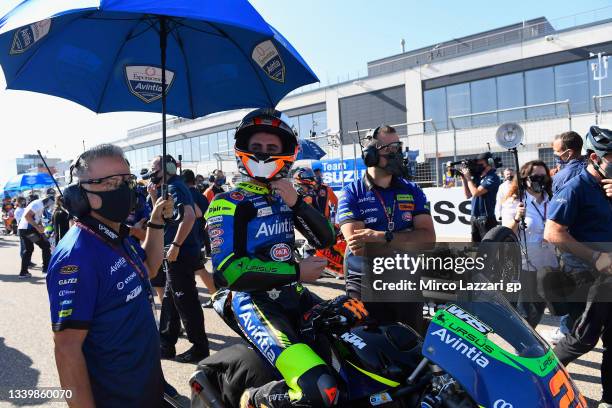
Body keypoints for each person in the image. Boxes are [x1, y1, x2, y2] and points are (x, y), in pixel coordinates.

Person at [205, 108, 353, 408]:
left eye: (272, 148)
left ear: (286, 152)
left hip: (294, 295)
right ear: (242, 150)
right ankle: (250, 400)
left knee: (359, 352)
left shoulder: (286, 194)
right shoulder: (228, 201)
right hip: (253, 303)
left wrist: (297, 203)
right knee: (319, 388)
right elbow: (227, 272)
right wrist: (296, 271)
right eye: (256, 147)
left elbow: (326, 239)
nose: (263, 154)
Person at [45, 144, 174, 407]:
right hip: (115, 396)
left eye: (127, 180)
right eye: (111, 182)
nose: (124, 188)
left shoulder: (116, 234)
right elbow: (67, 349)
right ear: (81, 194)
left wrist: (156, 221)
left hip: (146, 384)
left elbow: (149, 268)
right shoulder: (76, 256)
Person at [338, 125, 436, 331]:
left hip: (404, 280)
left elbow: (428, 240)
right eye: (389, 149)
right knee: (370, 348)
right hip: (364, 282)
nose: (397, 154)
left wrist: (383, 237)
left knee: (412, 345)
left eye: (398, 148)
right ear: (370, 154)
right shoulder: (351, 193)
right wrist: (408, 239)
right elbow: (361, 249)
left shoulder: (412, 190)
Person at [543, 126, 612, 408]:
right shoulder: (575, 187)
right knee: (583, 338)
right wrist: (595, 257)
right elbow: (553, 232)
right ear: (595, 157)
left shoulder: (609, 187)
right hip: (590, 275)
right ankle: (538, 378)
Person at [144, 154, 210, 363]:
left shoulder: (175, 187)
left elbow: (190, 216)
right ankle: (166, 343)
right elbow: (164, 218)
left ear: (167, 168)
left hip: (179, 253)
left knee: (185, 300)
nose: (151, 171)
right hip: (175, 251)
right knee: (171, 299)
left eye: (154, 167)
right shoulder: (170, 187)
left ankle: (199, 348)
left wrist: (175, 245)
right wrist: (154, 197)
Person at [501, 161, 557, 328]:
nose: (539, 180)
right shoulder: (515, 202)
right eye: (535, 177)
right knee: (526, 314)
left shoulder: (552, 199)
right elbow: (506, 234)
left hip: (548, 265)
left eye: (543, 176)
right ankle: (523, 350)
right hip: (525, 265)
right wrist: (517, 217)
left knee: (539, 309)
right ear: (524, 179)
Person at [548, 131, 587, 343]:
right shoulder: (594, 169)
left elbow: (556, 217)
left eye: (556, 152)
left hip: (571, 243)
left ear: (569, 152)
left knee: (572, 290)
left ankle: (567, 331)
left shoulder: (562, 177)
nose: (555, 156)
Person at [182, 169, 216, 301]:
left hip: (189, 237)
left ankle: (215, 296)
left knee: (199, 268)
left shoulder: (185, 195)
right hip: (200, 237)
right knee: (197, 268)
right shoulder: (201, 195)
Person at [459, 152, 501, 242]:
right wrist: (464, 179)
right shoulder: (479, 177)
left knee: (488, 248)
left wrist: (469, 178)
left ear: (489, 162)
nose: (478, 165)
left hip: (486, 219)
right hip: (474, 218)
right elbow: (467, 195)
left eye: (481, 163)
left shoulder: (493, 177)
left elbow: (475, 193)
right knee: (475, 249)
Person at [17, 194, 54, 278]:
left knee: (29, 249)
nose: (50, 206)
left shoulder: (38, 204)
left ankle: (23, 272)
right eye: (51, 203)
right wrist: (37, 227)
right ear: (48, 201)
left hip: (24, 229)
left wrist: (40, 226)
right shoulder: (38, 204)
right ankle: (45, 269)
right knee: (45, 245)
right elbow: (27, 216)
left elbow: (35, 218)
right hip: (28, 230)